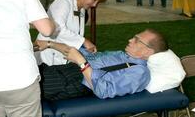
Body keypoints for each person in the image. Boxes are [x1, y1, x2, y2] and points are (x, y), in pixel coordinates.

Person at [34, 29, 168, 99]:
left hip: (71, 81)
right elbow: (80, 54)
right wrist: (49, 44)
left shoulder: (140, 72)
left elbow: (104, 91)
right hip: (62, 72)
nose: (130, 39)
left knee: (19, 89)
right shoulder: (122, 55)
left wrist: (81, 63)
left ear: (147, 51)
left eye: (137, 40)